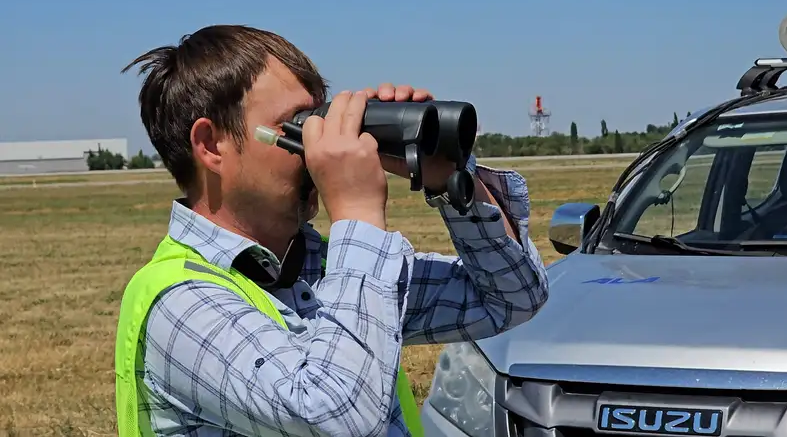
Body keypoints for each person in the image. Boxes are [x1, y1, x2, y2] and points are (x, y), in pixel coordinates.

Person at [114, 24, 549, 437]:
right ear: (210, 145)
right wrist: (357, 212)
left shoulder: (317, 269)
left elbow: (511, 299)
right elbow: (336, 418)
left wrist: (453, 182)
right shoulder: (181, 302)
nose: (317, 148)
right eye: (300, 124)